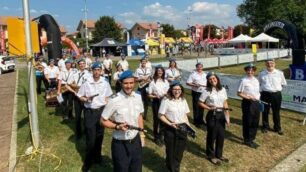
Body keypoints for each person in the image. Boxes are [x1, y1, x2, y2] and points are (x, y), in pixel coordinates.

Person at [101, 70, 145, 172]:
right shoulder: (113, 100)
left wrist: (142, 135)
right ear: (121, 83)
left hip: (135, 141)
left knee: (136, 169)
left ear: (134, 82)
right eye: (126, 83)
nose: (129, 86)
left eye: (131, 83)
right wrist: (117, 127)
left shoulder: (138, 97)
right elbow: (103, 120)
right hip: (120, 144)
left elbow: (139, 116)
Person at [77, 62, 113, 172]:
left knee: (99, 135)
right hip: (90, 112)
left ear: (101, 71)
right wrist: (86, 99)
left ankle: (98, 158)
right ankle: (87, 162)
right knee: (90, 138)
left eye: (98, 70)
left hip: (101, 112)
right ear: (92, 71)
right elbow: (79, 95)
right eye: (95, 70)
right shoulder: (87, 82)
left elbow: (107, 97)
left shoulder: (105, 82)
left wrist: (109, 110)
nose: (97, 72)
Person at [198, 72, 230, 165]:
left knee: (221, 136)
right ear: (208, 81)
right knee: (212, 135)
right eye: (210, 79)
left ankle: (219, 155)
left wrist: (227, 117)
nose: (212, 80)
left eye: (214, 78)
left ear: (217, 78)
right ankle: (211, 155)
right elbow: (200, 102)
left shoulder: (222, 89)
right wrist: (208, 108)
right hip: (212, 115)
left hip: (221, 115)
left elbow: (225, 103)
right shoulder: (206, 91)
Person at [158, 80, 190, 172]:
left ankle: (176, 168)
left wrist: (188, 127)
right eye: (174, 89)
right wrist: (170, 123)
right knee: (171, 151)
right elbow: (160, 115)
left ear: (181, 90)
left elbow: (185, 115)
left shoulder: (183, 100)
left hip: (182, 128)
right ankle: (171, 169)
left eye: (179, 89)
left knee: (179, 151)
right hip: (170, 129)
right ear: (171, 90)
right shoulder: (166, 100)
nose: (177, 91)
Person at [258, 59, 287, 135]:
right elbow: (258, 83)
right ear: (265, 64)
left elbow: (283, 83)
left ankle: (277, 128)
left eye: (271, 63)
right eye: (267, 63)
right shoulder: (261, 73)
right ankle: (265, 127)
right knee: (265, 111)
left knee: (276, 112)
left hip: (276, 95)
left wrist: (276, 90)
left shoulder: (280, 73)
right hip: (265, 95)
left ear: (275, 64)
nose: (269, 64)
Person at [237, 63, 261, 148]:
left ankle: (252, 138)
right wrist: (248, 97)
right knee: (248, 121)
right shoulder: (243, 80)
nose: (250, 72)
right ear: (246, 71)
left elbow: (257, 92)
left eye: (252, 70)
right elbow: (239, 93)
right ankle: (247, 139)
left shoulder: (256, 80)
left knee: (255, 120)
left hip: (256, 102)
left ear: (254, 71)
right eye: (248, 70)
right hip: (247, 103)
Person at [147, 65, 169, 145]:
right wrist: (155, 96)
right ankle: (156, 137)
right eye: (158, 71)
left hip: (164, 101)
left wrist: (166, 94)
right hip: (156, 102)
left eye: (161, 71)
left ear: (163, 72)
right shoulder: (153, 82)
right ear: (156, 72)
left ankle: (161, 136)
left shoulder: (165, 81)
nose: (160, 72)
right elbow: (149, 94)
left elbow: (168, 92)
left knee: (163, 119)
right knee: (156, 120)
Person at [70, 58, 90, 139]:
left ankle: (86, 131)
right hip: (77, 97)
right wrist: (76, 86)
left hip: (85, 97)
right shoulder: (75, 74)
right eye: (80, 64)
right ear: (78, 65)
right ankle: (78, 133)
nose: (82, 65)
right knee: (77, 117)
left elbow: (89, 86)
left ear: (85, 65)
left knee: (86, 116)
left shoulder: (89, 74)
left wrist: (79, 86)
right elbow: (70, 83)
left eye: (83, 64)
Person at [186, 62, 207, 127]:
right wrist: (194, 85)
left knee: (202, 107)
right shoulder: (193, 74)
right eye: (198, 67)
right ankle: (196, 121)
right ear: (196, 67)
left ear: (202, 67)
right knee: (196, 107)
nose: (199, 68)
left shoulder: (205, 74)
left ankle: (201, 120)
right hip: (196, 92)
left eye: (201, 67)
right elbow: (188, 83)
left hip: (203, 93)